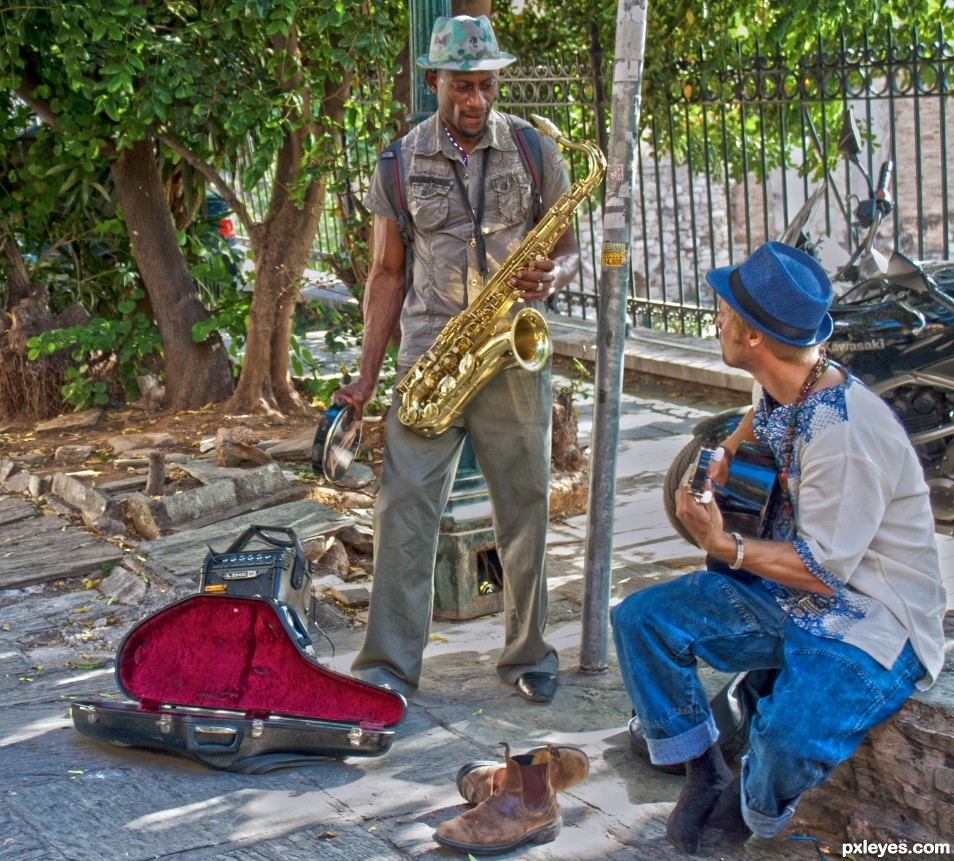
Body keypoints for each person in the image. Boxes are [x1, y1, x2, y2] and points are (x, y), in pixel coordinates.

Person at [611, 241, 946, 854]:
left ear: (755, 338)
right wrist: (720, 463)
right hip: (787, 595)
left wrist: (723, 542)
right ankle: (702, 768)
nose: (717, 321)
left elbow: (823, 572)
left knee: (786, 740)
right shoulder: (791, 385)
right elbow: (751, 427)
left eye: (724, 313)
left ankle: (748, 805)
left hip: (871, 619)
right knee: (640, 621)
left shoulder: (844, 433)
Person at [334, 15, 580, 704]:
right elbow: (386, 274)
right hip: (430, 357)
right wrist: (366, 374)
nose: (475, 100)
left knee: (526, 504)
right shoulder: (397, 161)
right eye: (462, 86)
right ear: (435, 80)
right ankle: (386, 668)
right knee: (403, 511)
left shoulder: (534, 150)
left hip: (511, 356)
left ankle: (528, 654)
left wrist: (553, 280)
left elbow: (568, 247)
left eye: (486, 85)